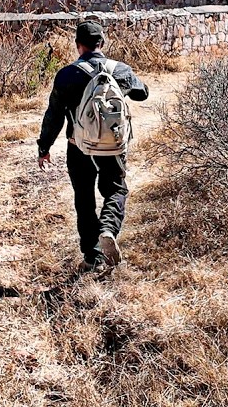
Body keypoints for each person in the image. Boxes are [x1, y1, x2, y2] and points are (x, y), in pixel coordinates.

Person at [37, 20, 149, 271]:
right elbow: (143, 93)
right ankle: (108, 228)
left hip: (78, 146)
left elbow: (53, 115)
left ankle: (92, 256)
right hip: (113, 146)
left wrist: (43, 148)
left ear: (78, 46)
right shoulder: (119, 69)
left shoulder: (67, 75)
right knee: (116, 191)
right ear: (102, 43)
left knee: (84, 199)